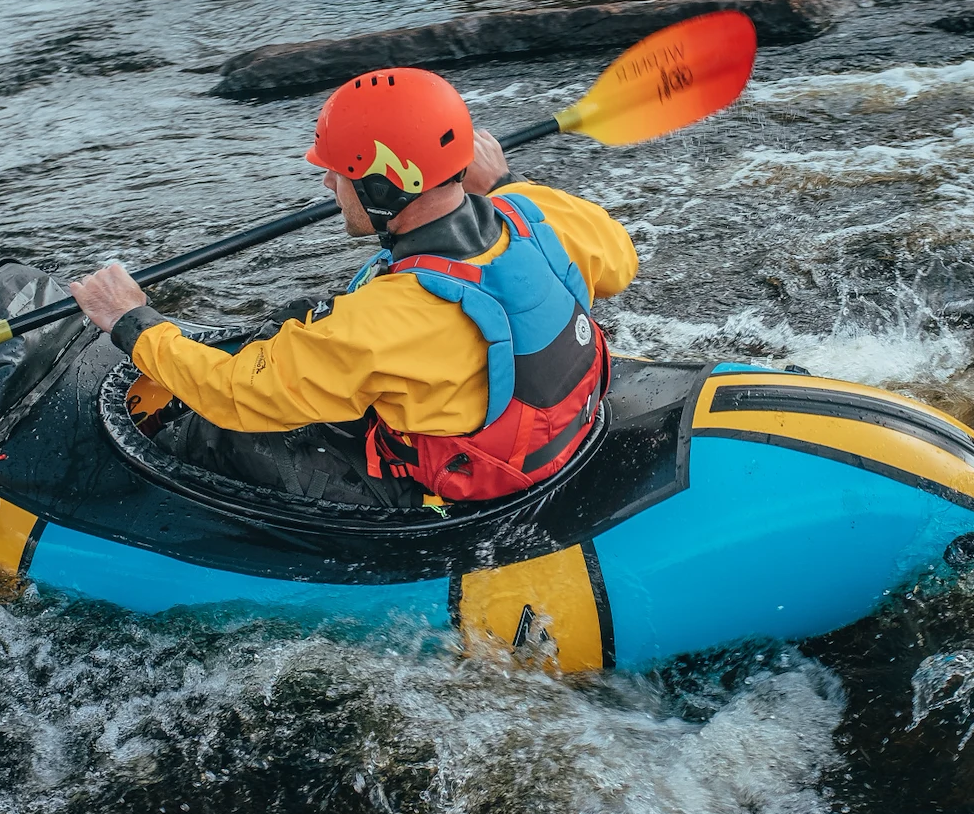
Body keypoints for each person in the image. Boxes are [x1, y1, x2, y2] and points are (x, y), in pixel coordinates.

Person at [69, 67, 639, 508]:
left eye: (338, 172)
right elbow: (619, 261)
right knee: (302, 317)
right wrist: (507, 181)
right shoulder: (533, 212)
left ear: (383, 188)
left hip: (461, 488)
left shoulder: (385, 319)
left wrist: (131, 321)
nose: (327, 183)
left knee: (220, 435)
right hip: (561, 429)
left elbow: (235, 393)